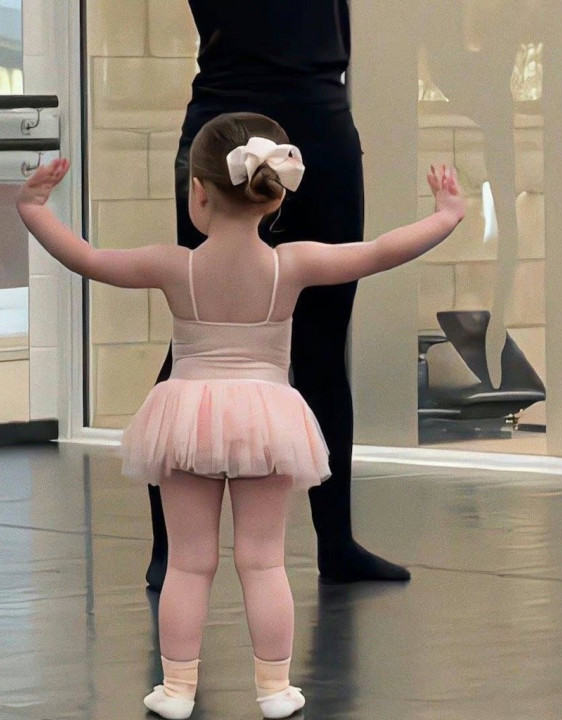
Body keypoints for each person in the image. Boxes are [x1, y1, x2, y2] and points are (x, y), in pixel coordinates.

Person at [16, 112, 465, 720]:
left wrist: (34, 208)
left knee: (188, 562)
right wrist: (445, 216)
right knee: (264, 561)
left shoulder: (175, 265)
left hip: (187, 417)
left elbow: (89, 260)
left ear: (198, 192)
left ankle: (177, 689)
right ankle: (275, 689)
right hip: (265, 419)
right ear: (274, 193)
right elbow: (380, 252)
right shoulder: (293, 264)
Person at [146, 0, 411, 591]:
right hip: (229, 119)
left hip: (319, 112)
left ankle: (336, 542)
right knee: (200, 333)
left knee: (324, 342)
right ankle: (170, 546)